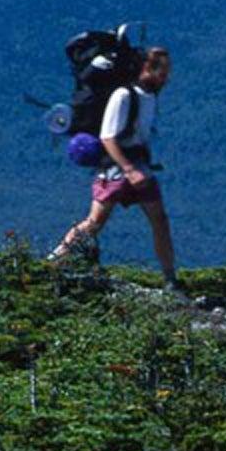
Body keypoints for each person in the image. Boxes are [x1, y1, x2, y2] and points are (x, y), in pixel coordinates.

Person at [51, 45, 183, 293]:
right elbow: (108, 137)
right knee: (94, 222)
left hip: (138, 166)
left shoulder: (149, 97)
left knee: (159, 219)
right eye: (162, 71)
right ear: (146, 69)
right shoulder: (123, 96)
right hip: (116, 170)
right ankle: (53, 262)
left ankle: (170, 278)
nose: (166, 77)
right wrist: (129, 169)